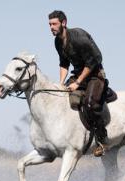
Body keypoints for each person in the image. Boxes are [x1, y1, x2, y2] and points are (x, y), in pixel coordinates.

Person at [49, 10, 110, 157]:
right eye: (49, 24)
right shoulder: (57, 41)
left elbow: (94, 60)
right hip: (78, 75)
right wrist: (61, 84)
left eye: (54, 24)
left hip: (95, 75)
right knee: (61, 98)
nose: (51, 27)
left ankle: (103, 141)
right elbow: (64, 64)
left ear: (64, 23)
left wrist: (77, 82)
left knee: (90, 104)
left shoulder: (78, 37)